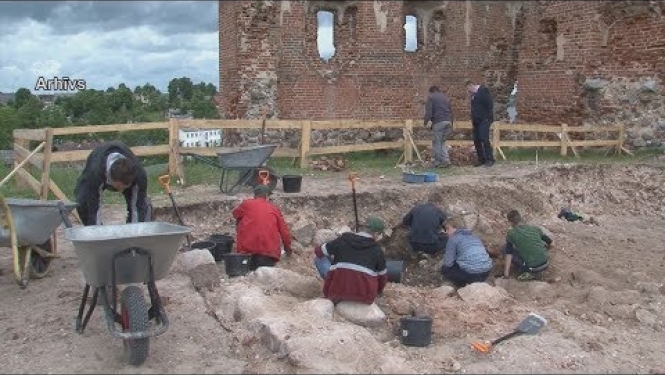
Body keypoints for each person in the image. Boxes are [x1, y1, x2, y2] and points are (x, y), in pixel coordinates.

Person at [313, 216, 388, 304]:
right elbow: (383, 278)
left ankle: (335, 289)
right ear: (376, 234)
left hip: (337, 293)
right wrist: (378, 292)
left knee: (319, 259)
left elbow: (318, 252)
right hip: (365, 297)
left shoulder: (344, 239)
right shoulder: (377, 251)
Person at [74, 141, 149, 226]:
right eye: (119, 186)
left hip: (128, 177)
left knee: (140, 207)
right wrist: (97, 234)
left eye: (124, 187)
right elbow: (94, 209)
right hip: (95, 167)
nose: (121, 191)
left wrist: (136, 233)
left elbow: (138, 208)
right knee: (83, 202)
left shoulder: (139, 175)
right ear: (110, 178)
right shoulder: (95, 173)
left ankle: (129, 230)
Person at [232, 184, 292, 271]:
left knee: (240, 218)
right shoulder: (274, 209)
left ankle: (243, 248)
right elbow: (284, 232)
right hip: (268, 256)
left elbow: (235, 214)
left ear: (254, 195)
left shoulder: (247, 204)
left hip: (247, 255)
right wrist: (288, 248)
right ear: (267, 196)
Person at [440, 215, 493, 287]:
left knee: (445, 270)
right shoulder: (474, 236)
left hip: (472, 274)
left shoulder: (453, 239)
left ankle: (461, 285)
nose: (446, 232)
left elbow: (448, 263)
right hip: (486, 272)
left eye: (447, 229)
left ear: (455, 227)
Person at [501, 209, 552, 281]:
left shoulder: (511, 233)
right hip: (546, 263)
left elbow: (509, 254)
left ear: (510, 222)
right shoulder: (534, 228)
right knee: (539, 243)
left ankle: (528, 272)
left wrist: (506, 275)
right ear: (520, 218)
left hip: (533, 268)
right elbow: (551, 243)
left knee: (504, 248)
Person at [465, 79, 495, 167]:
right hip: (476, 121)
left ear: (471, 85)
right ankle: (481, 159)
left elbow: (490, 104)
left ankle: (490, 159)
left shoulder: (483, 91)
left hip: (484, 120)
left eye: (468, 88)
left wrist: (487, 117)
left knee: (484, 138)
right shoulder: (473, 95)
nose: (468, 90)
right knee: (476, 139)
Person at [423, 85, 454, 168]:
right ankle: (446, 160)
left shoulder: (431, 97)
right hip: (448, 121)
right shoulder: (445, 97)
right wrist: (452, 123)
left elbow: (429, 112)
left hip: (438, 121)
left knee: (437, 142)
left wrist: (425, 122)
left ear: (431, 91)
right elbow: (451, 111)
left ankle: (437, 162)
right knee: (442, 142)